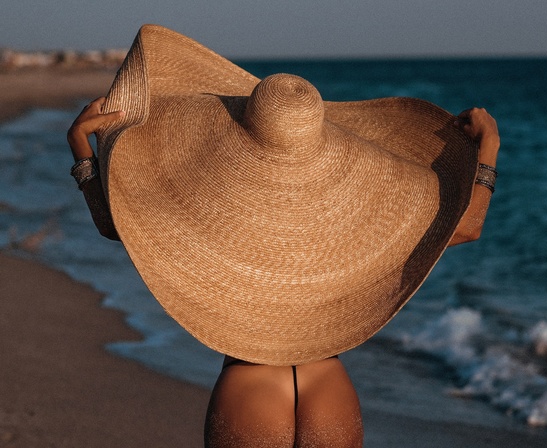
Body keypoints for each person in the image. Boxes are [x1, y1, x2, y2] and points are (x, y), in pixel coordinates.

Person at [67, 25, 499, 448]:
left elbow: (115, 223)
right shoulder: (350, 219)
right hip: (327, 382)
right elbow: (466, 226)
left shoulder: (210, 204)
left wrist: (82, 149)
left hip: (249, 382)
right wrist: (489, 149)